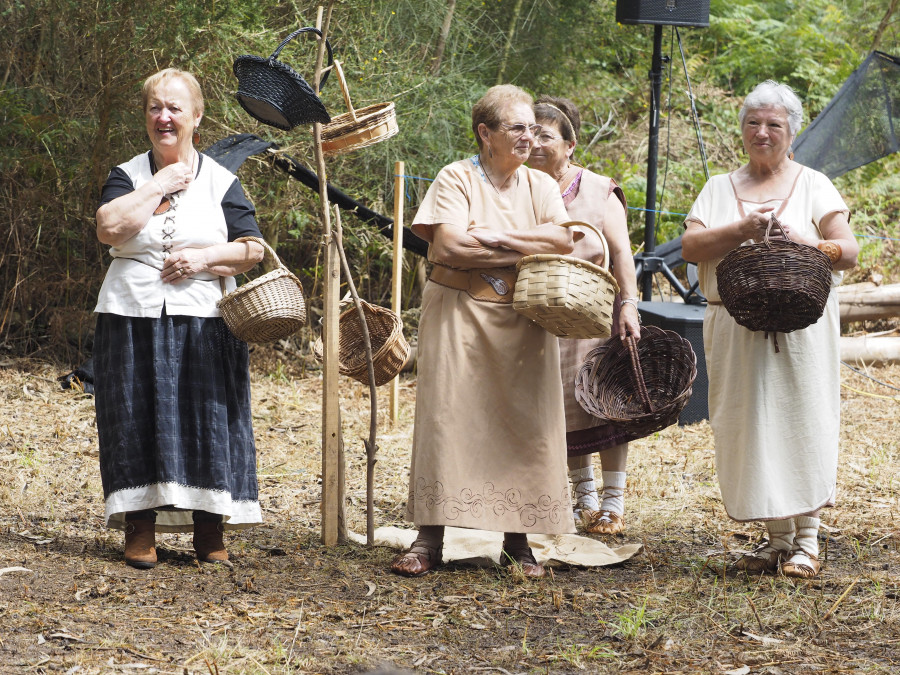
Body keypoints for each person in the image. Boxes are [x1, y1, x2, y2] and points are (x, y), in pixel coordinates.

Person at [390, 84, 578, 578]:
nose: (529, 138)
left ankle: (518, 543)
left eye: (533, 129)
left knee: (525, 421)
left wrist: (498, 238)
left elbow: (563, 239)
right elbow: (449, 247)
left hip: (524, 319)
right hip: (459, 314)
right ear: (485, 133)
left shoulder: (540, 185)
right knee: (448, 416)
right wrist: (524, 252)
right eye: (517, 128)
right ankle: (429, 538)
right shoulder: (456, 178)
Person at [681, 80, 858, 578]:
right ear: (741, 130)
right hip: (733, 326)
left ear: (791, 132)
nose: (762, 132)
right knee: (749, 425)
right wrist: (740, 230)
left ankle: (807, 539)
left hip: (802, 328)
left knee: (802, 420)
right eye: (753, 123)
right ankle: (776, 539)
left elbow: (847, 251)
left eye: (773, 124)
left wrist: (806, 244)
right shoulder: (719, 187)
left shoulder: (813, 183)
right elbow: (692, 248)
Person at [94, 68, 266, 569]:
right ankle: (139, 526)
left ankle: (209, 528)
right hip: (131, 310)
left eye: (174, 108)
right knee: (134, 413)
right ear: (145, 115)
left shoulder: (222, 179)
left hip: (205, 316)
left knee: (207, 416)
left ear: (196, 116)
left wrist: (205, 258)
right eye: (154, 108)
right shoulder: (127, 175)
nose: (163, 117)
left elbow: (252, 248)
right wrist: (161, 183)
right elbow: (109, 227)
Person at [528, 96, 642, 536]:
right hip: (540, 317)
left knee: (606, 406)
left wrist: (627, 305)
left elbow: (621, 253)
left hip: (596, 316)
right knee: (564, 409)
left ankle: (613, 503)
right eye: (528, 133)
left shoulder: (597, 189)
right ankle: (585, 499)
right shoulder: (521, 188)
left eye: (545, 135)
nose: (534, 142)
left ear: (570, 144)